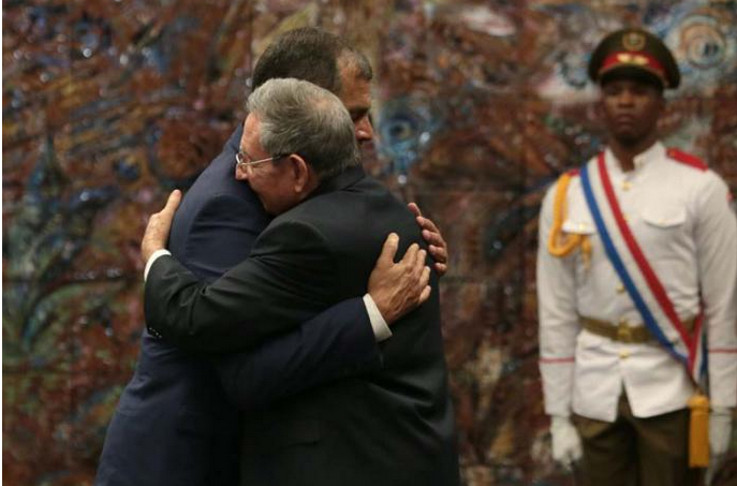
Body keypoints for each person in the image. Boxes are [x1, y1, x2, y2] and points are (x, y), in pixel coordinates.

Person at [96, 28, 450, 486]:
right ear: (301, 104)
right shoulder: (236, 198)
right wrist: (154, 257)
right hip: (185, 458)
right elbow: (211, 332)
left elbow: (301, 288)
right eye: (353, 114)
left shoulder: (314, 196)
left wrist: (417, 253)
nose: (364, 132)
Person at [537, 27, 737, 486]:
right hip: (594, 390)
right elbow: (556, 311)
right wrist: (558, 414)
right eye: (614, 91)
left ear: (662, 103)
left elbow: (725, 306)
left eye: (640, 91)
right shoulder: (568, 195)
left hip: (671, 390)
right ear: (600, 103)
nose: (626, 101)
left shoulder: (701, 190)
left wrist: (724, 405)